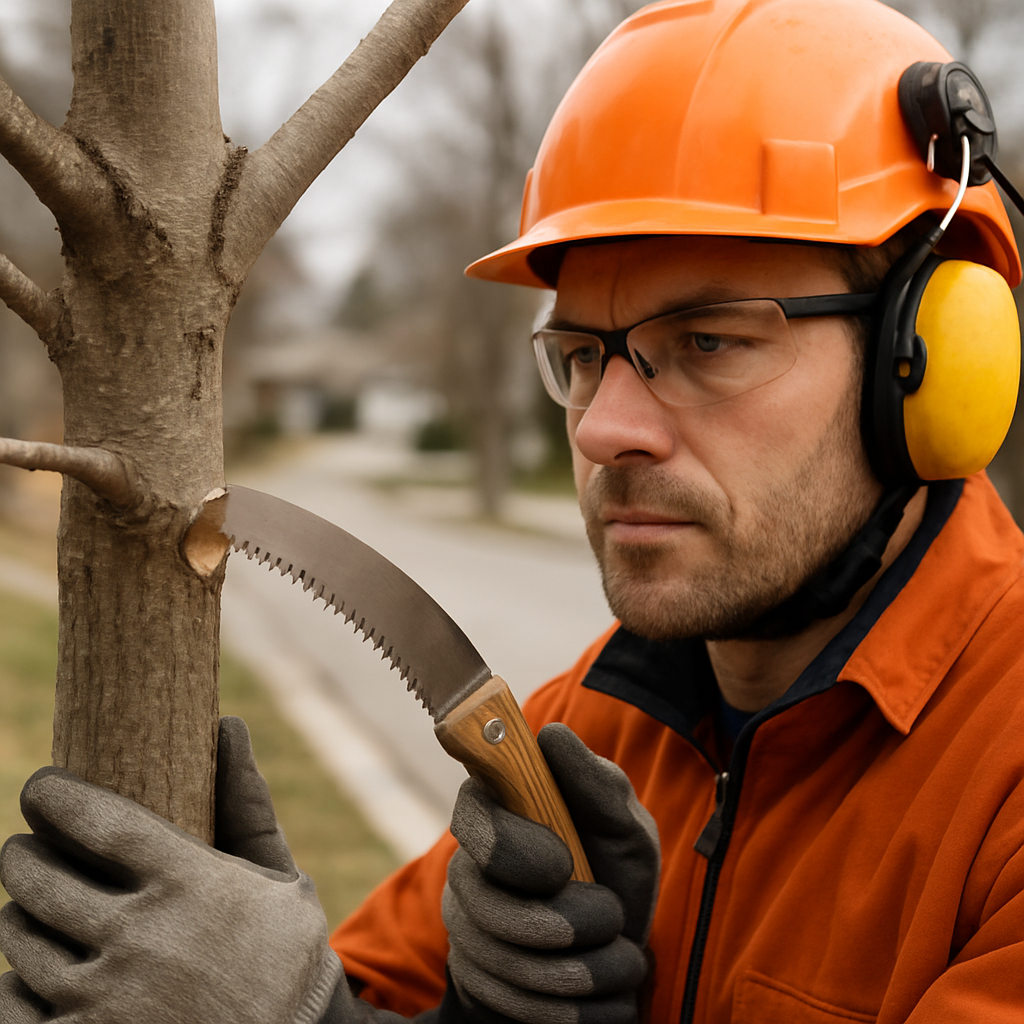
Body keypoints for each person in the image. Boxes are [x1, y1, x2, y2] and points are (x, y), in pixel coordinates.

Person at [2, 1, 1023, 1022]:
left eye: (709, 340)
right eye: (582, 356)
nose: (600, 426)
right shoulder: (594, 727)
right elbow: (358, 986)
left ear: (928, 366)